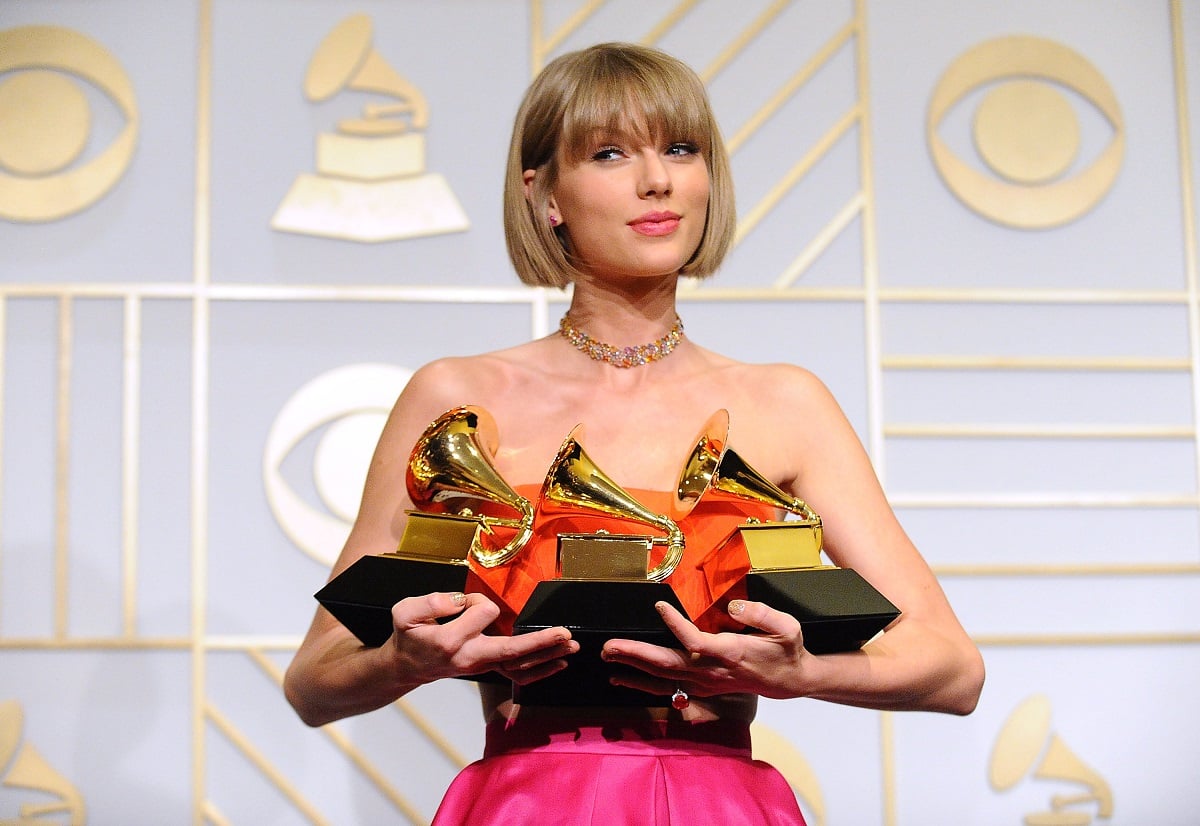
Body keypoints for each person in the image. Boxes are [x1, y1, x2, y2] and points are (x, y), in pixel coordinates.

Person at [284, 42, 985, 825]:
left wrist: (800, 672)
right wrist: (400, 661)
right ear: (543, 193)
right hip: (525, 803)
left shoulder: (785, 403)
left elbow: (953, 671)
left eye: (681, 149)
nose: (657, 179)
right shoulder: (457, 399)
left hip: (716, 800)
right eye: (610, 153)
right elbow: (315, 681)